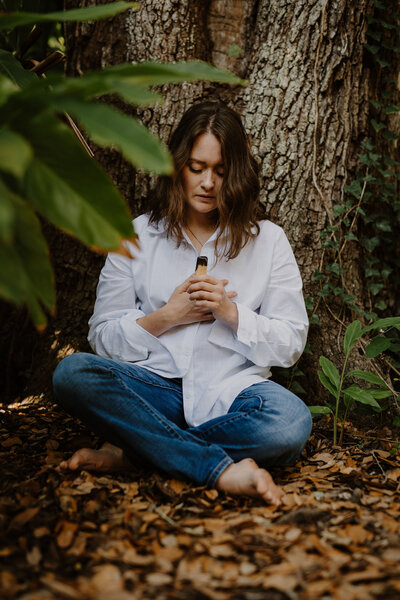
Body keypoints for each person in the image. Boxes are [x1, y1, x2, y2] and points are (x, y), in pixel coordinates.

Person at [53, 102, 312, 505]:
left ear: (237, 174)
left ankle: (137, 453)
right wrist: (167, 316)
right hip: (151, 389)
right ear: (177, 166)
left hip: (232, 394)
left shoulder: (268, 240)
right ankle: (220, 469)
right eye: (197, 167)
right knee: (72, 373)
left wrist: (231, 314)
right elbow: (101, 337)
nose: (208, 182)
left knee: (290, 423)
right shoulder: (137, 235)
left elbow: (291, 341)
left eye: (221, 171)